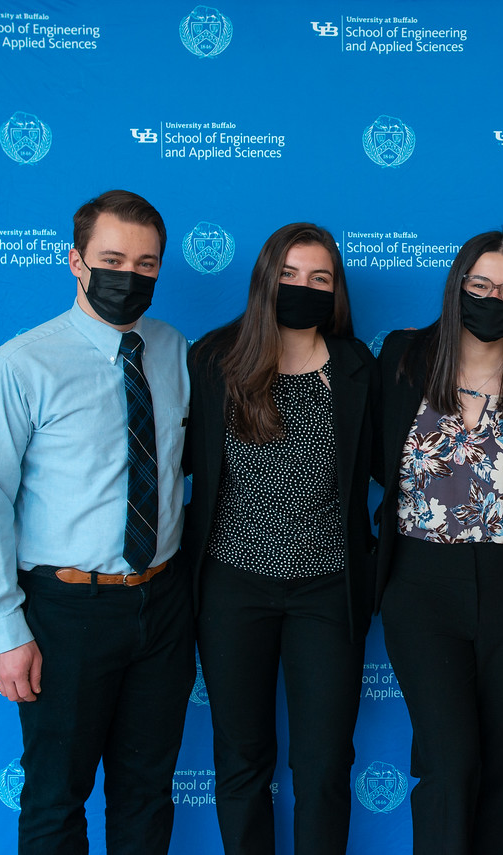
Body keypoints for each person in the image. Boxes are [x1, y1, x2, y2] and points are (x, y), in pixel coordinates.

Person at [0, 190, 192, 854]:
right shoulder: (21, 365)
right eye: (112, 260)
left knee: (147, 794)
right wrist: (5, 630)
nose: (129, 276)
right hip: (66, 610)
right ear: (76, 261)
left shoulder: (174, 350)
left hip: (163, 605)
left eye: (146, 264)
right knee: (55, 798)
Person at [373, 230, 503, 855]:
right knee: (449, 763)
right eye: (481, 285)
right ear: (457, 286)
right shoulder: (404, 358)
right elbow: (377, 459)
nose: (494, 300)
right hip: (422, 586)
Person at [181, 223, 377, 854]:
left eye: (320, 278)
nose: (303, 287)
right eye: (289, 275)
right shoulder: (214, 360)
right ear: (265, 279)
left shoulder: (356, 366)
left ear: (336, 290)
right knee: (241, 757)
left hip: (328, 590)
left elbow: (392, 468)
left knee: (324, 762)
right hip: (232, 587)